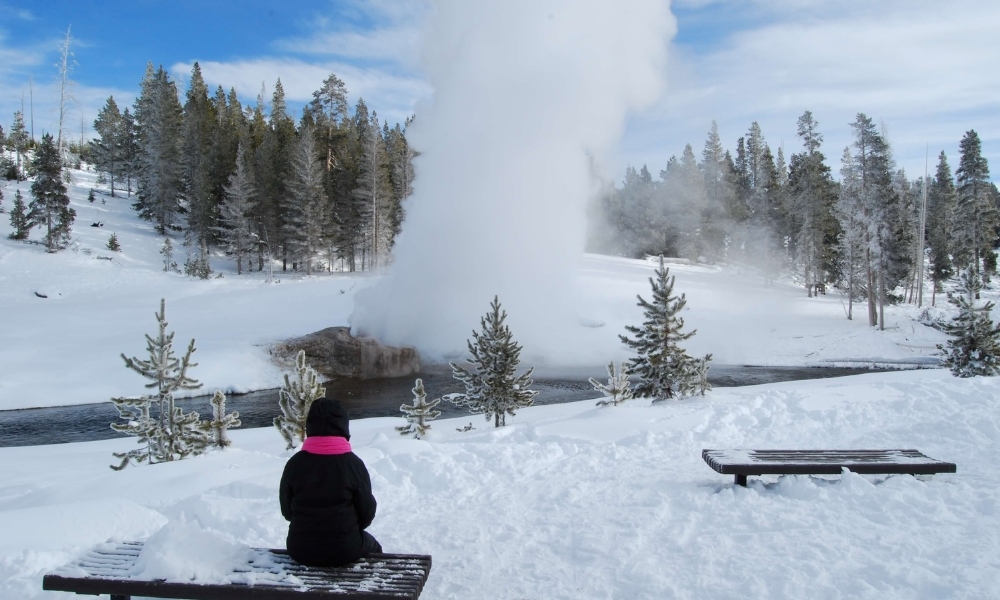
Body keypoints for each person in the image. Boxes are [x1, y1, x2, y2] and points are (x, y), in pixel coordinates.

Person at [279, 397, 382, 566]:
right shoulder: (353, 464)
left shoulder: (295, 464)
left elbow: (287, 511)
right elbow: (367, 513)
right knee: (373, 546)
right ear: (343, 426)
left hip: (300, 549)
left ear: (310, 425)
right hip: (346, 549)